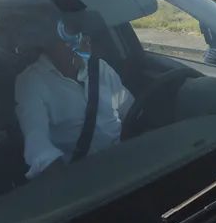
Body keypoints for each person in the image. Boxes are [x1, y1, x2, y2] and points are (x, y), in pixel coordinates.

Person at [15, 13, 134, 179]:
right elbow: (38, 146)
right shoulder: (31, 81)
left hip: (124, 158)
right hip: (81, 173)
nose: (79, 42)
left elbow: (130, 111)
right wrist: (65, 179)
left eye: (82, 34)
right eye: (67, 36)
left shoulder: (100, 68)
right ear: (47, 41)